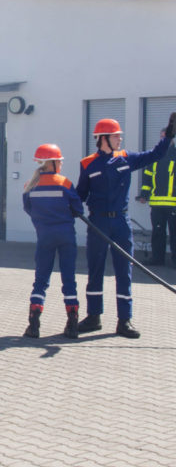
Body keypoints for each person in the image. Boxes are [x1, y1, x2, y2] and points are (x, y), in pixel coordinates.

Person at [76, 116, 175, 339]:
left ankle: (124, 320)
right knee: (95, 270)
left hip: (121, 222)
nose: (120, 139)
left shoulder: (126, 158)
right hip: (98, 221)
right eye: (116, 136)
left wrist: (169, 133)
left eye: (120, 136)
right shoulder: (87, 164)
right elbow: (80, 194)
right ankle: (93, 317)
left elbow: (155, 154)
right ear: (102, 138)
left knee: (124, 271)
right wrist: (66, 202)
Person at [22, 144, 84, 339]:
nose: (62, 163)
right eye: (60, 160)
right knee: (69, 281)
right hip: (66, 235)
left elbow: (28, 209)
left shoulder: (30, 185)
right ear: (53, 163)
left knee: (40, 281)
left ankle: (33, 325)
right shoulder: (64, 183)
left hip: (44, 236)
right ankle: (72, 325)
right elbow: (78, 210)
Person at [138, 129, 176, 267]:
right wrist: (143, 195)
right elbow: (147, 178)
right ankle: (157, 259)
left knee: (174, 235)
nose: (162, 139)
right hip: (156, 204)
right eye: (161, 137)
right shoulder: (155, 156)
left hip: (174, 205)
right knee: (158, 233)